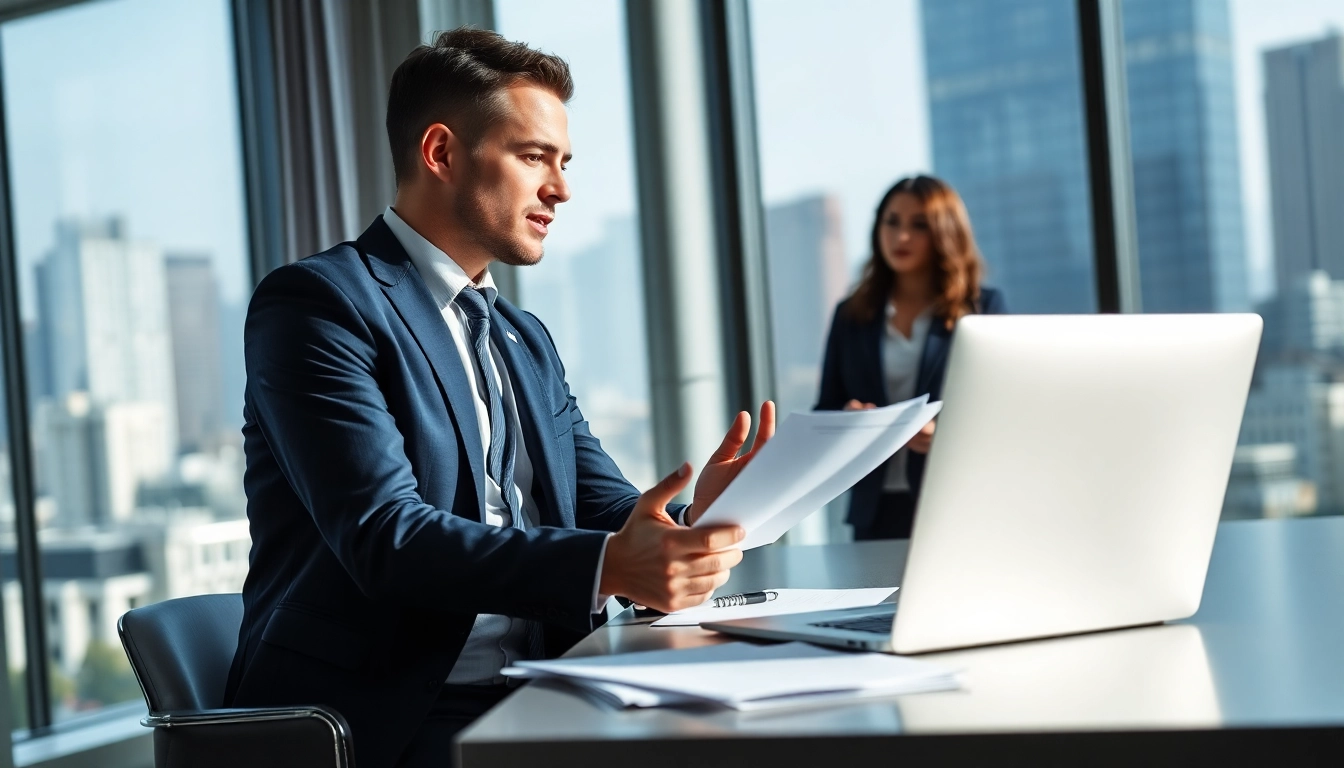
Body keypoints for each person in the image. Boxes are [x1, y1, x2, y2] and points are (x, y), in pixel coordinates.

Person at [223, 28, 774, 768]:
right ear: (442, 153)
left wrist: (695, 523)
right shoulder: (320, 304)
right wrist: (611, 566)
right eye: (533, 157)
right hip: (384, 717)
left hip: (540, 691)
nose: (562, 188)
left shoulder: (522, 335)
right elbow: (386, 537)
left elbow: (601, 505)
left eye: (564, 162)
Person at [815, 175, 1004, 540]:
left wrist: (946, 433)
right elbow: (826, 406)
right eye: (892, 222)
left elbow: (1004, 412)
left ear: (945, 232)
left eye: (918, 225)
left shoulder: (982, 309)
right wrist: (847, 421)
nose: (901, 237)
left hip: (955, 502)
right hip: (875, 508)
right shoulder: (851, 314)